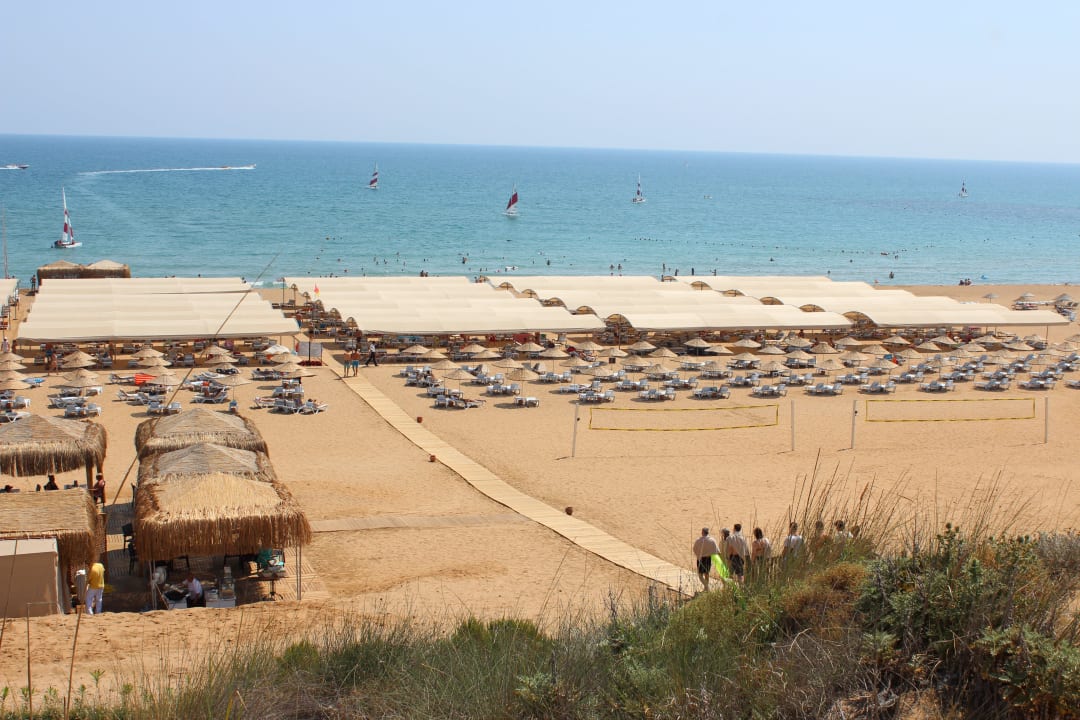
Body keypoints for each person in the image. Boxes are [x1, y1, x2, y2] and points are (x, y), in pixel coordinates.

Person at [692, 527, 721, 591]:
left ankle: (706, 587)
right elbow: (717, 551)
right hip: (708, 558)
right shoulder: (712, 540)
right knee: (706, 573)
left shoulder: (698, 540)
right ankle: (706, 587)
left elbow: (694, 549)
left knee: (700, 574)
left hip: (700, 558)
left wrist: (698, 555)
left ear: (702, 532)